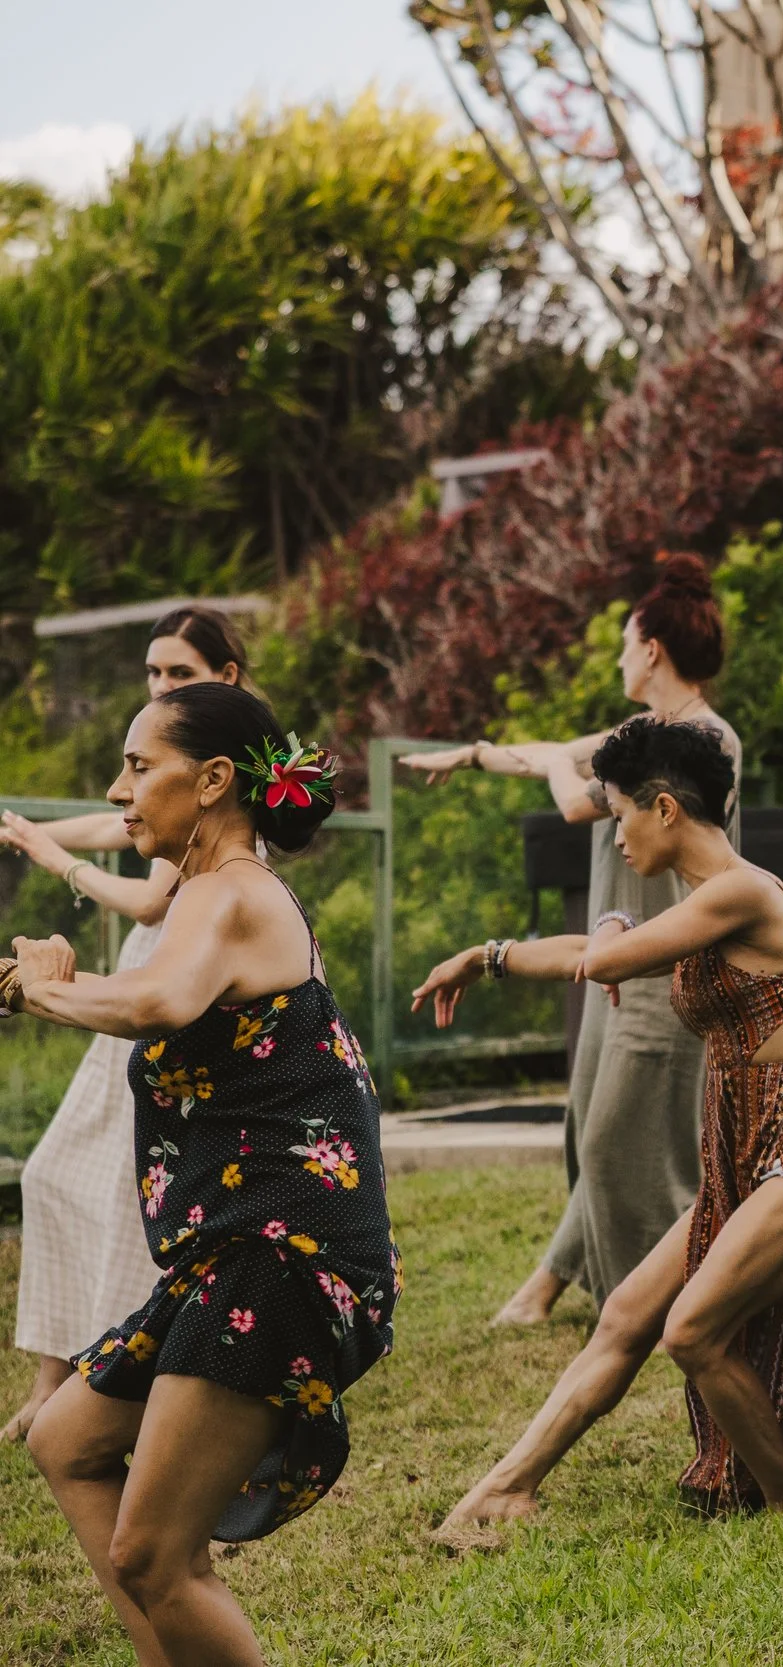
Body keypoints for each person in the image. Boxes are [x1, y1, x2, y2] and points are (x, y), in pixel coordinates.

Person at [417, 718, 783, 1538]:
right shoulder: (698, 904)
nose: (616, 831)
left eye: (621, 811)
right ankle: (506, 1486)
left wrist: (607, 930)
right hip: (754, 1140)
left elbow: (601, 958)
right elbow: (588, 953)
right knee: (628, 1313)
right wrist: (485, 955)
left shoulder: (744, 890)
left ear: (665, 808)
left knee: (693, 1331)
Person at [14, 683, 396, 1666]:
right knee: (66, 1441)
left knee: (155, 1551)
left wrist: (45, 988)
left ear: (215, 778)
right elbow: (150, 990)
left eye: (139, 766)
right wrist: (40, 986)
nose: (119, 788)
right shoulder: (206, 892)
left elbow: (155, 999)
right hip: (237, 1246)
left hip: (283, 1253)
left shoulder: (232, 892)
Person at [400, 554, 740, 1326]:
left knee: (630, 1146)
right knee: (589, 1132)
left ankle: (679, 1293)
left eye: (625, 641)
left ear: (651, 647)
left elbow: (571, 793)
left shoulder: (704, 739)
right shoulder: (642, 733)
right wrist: (477, 753)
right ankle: (574, 1280)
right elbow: (553, 753)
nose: (619, 655)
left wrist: (555, 759)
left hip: (665, 969)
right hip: (609, 964)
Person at [2, 605, 250, 1444]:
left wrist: (57, 862)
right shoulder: (165, 784)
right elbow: (114, 820)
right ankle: (56, 1378)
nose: (161, 685)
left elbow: (147, 891)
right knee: (56, 1172)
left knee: (122, 1190)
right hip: (149, 975)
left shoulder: (222, 800)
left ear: (228, 677)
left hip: (169, 979)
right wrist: (22, 829)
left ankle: (102, 1382)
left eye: (178, 672)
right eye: (153, 673)